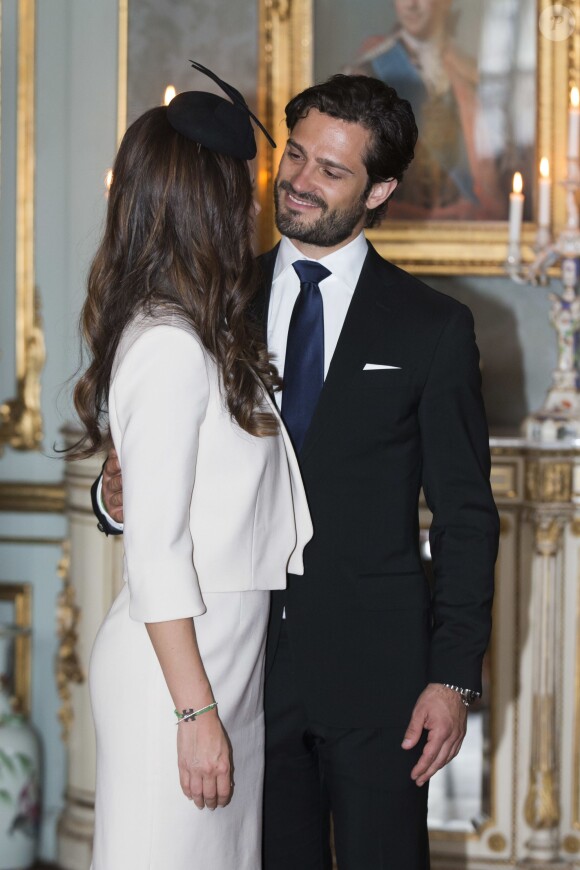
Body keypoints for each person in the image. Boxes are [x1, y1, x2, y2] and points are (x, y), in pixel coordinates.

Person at [94, 73, 499, 869]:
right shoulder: (212, 301)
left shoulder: (434, 328)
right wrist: (115, 496)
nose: (302, 183)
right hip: (240, 679)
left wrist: (452, 678)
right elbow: (155, 472)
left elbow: (466, 515)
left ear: (380, 189)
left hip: (380, 683)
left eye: (333, 171)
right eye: (298, 157)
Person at [71, 62, 312, 870]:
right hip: (178, 681)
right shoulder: (170, 346)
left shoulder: (202, 330)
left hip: (221, 669)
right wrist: (194, 714)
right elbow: (157, 552)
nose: (253, 203)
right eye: (241, 187)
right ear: (206, 202)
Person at [349, 0, 504, 220]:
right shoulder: (369, 70)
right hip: (397, 221)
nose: (411, 5)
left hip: (463, 222)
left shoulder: (471, 71)